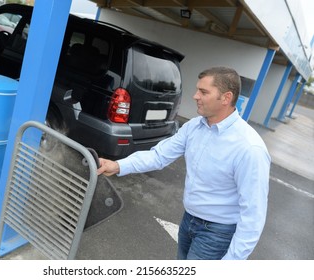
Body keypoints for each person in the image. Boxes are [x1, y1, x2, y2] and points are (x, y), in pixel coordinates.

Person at [97, 66, 271, 260]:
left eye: (203, 92)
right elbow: (159, 156)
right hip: (188, 221)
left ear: (226, 98)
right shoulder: (194, 127)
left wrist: (232, 261)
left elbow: (253, 214)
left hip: (217, 234)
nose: (195, 96)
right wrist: (118, 165)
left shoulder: (249, 148)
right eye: (197, 90)